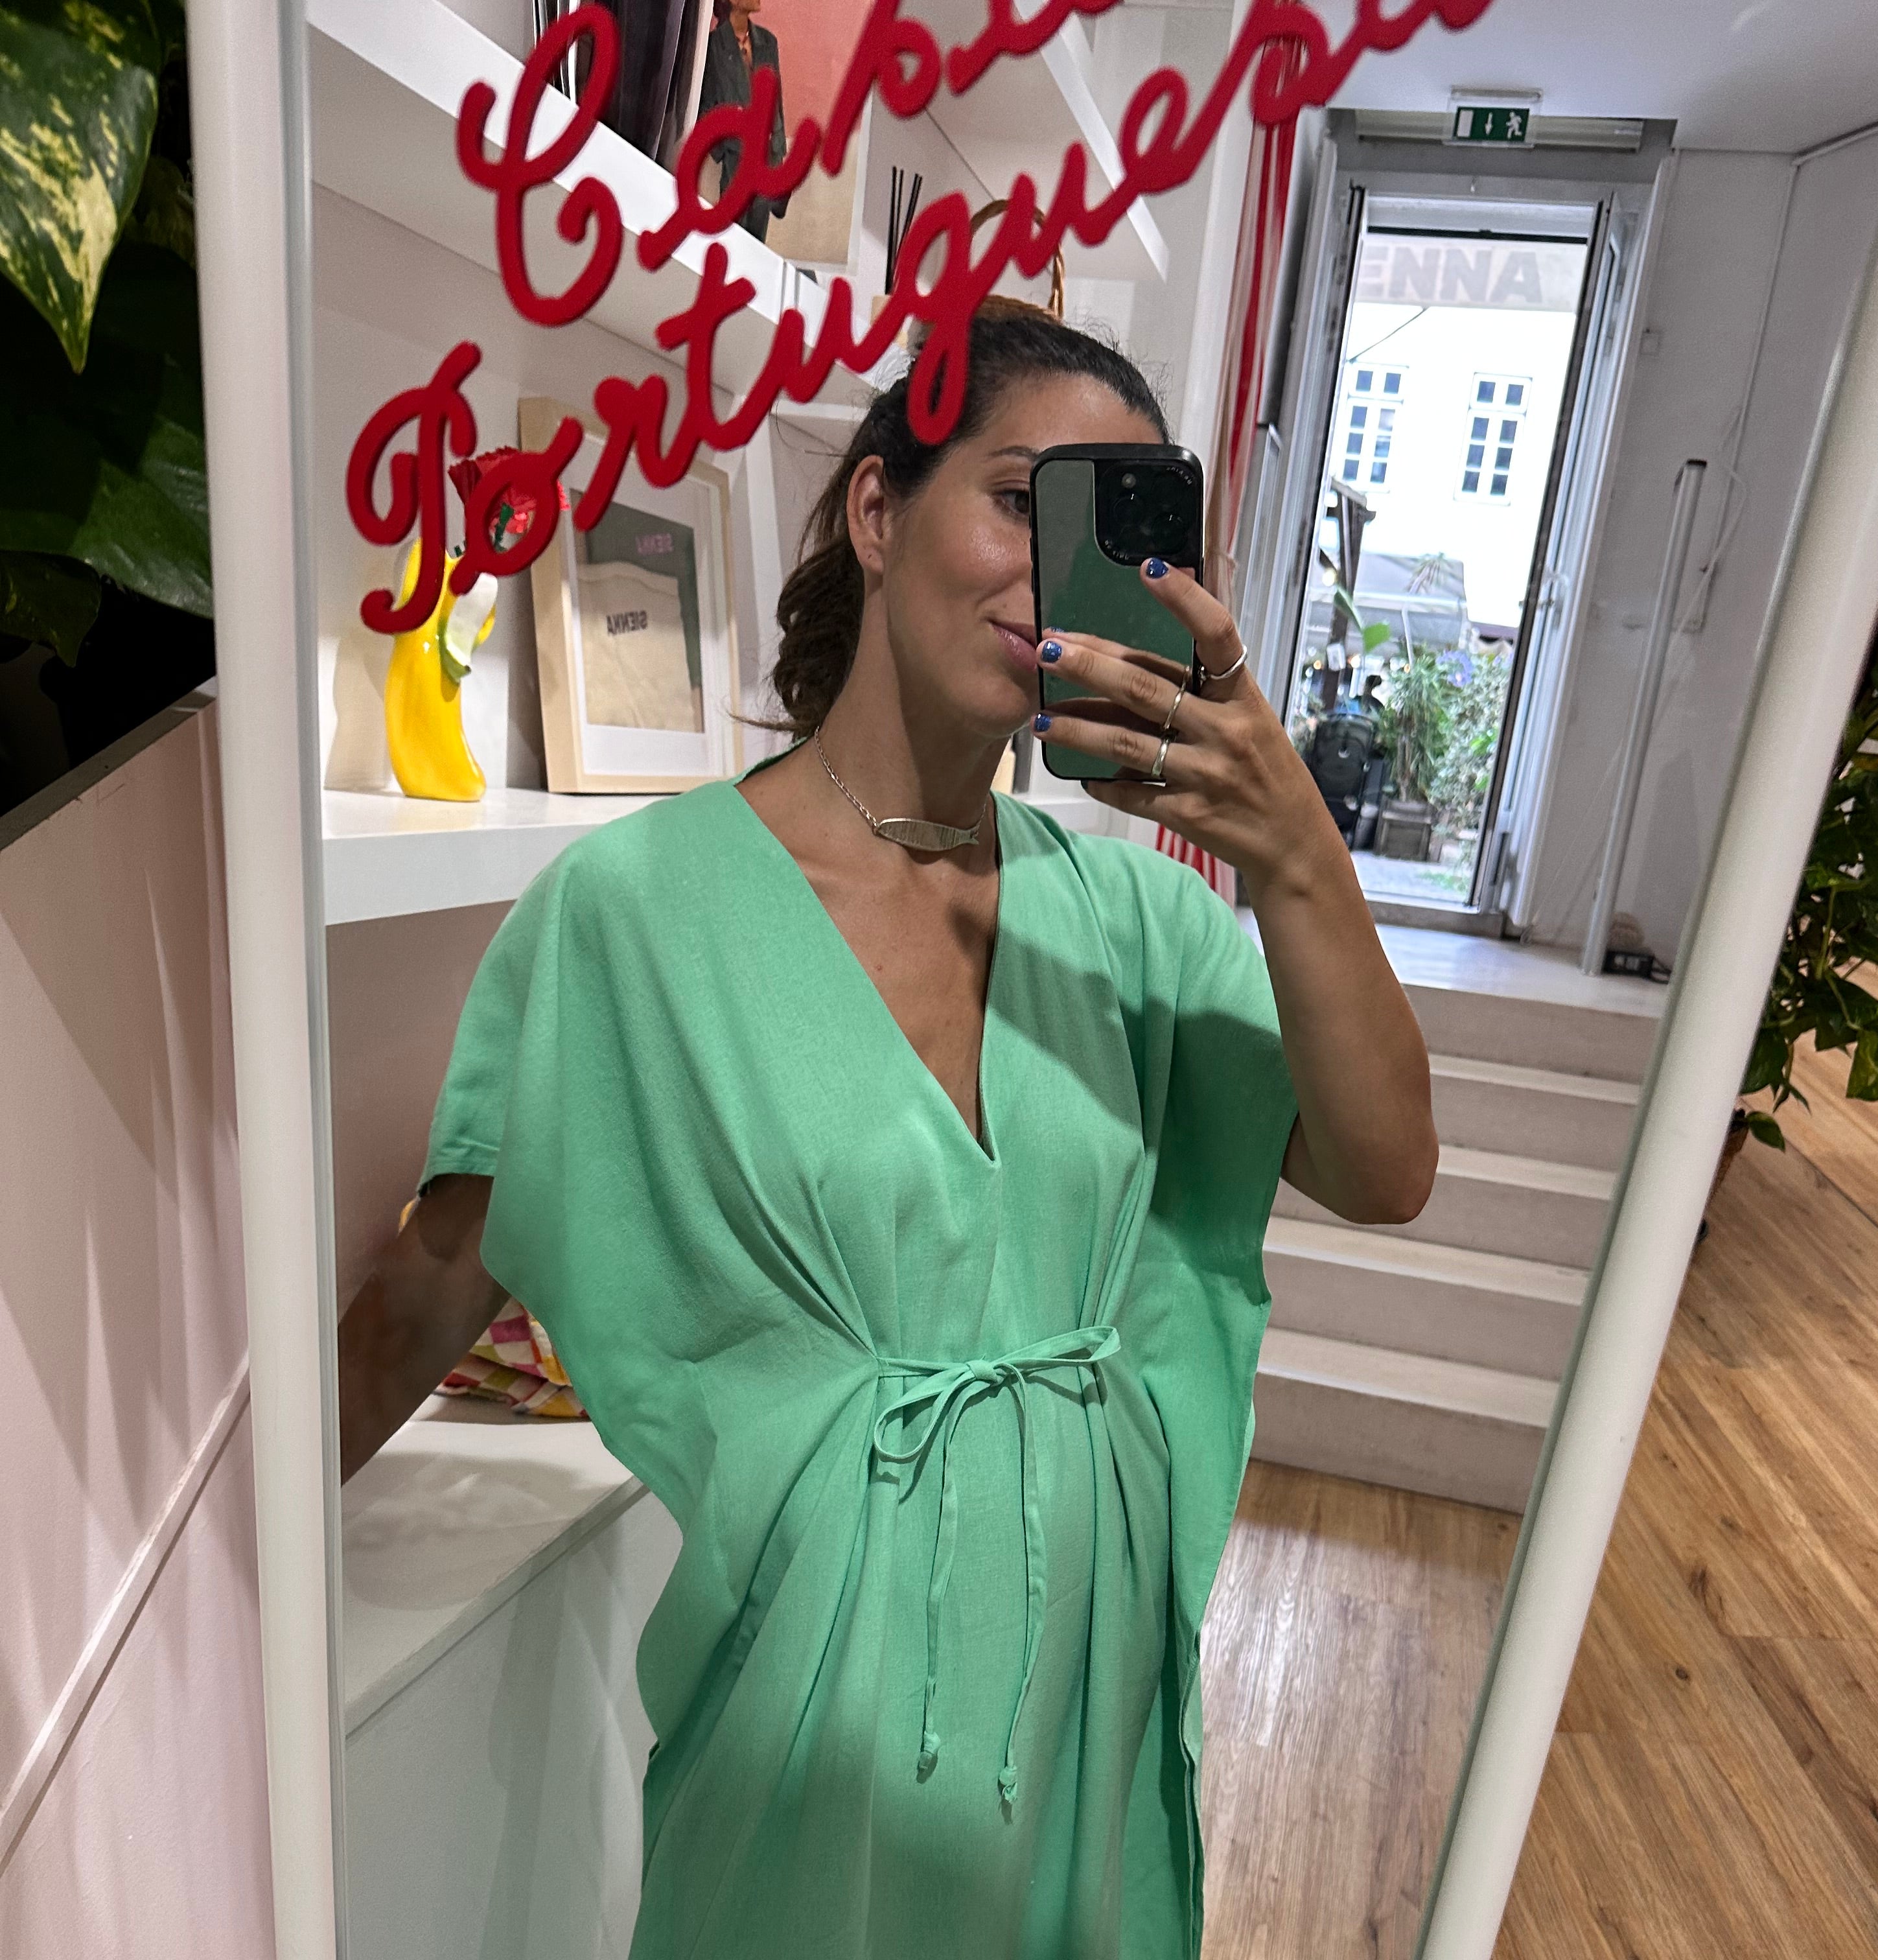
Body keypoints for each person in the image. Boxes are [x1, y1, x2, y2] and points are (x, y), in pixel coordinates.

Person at [336, 305, 1439, 1960]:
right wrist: (212, 1629)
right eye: (1016, 501)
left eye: (1099, 541)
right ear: (876, 511)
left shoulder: (1132, 925)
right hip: (816, 1724)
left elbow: (1385, 1167)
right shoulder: (636, 913)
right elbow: (433, 1286)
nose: (1047, 578)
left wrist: (1291, 853)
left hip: (1086, 1707)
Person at [696, 0, 787, 242]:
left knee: (758, 241)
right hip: (737, 158)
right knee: (732, 238)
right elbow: (705, 104)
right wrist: (724, 148)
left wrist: (779, 147)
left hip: (768, 156)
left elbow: (776, 100)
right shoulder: (714, 46)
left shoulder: (767, 42)